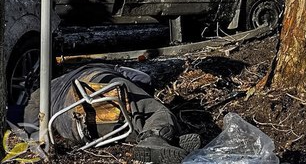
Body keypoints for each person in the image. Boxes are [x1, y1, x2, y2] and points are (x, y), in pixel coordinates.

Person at [24, 63, 200, 164]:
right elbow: (143, 79)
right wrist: (142, 94)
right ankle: (156, 137)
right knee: (155, 111)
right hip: (96, 82)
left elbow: (31, 125)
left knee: (129, 125)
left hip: (72, 127)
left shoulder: (38, 94)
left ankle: (169, 141)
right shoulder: (95, 65)